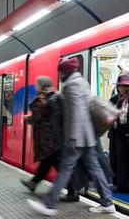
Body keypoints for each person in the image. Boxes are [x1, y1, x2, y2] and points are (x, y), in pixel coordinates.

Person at [27, 57, 115, 216]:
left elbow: (77, 113)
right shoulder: (82, 82)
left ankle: (48, 204)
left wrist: (72, 139)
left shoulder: (71, 85)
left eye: (60, 71)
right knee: (94, 168)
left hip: (78, 137)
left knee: (66, 169)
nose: (59, 74)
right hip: (87, 136)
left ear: (63, 71)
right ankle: (107, 203)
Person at [21, 76, 63, 192]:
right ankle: (33, 182)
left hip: (46, 137)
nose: (35, 86)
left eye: (36, 84)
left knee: (55, 164)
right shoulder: (54, 94)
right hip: (53, 136)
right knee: (48, 162)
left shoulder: (41, 98)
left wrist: (28, 117)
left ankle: (72, 191)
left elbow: (37, 116)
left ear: (41, 85)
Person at [109, 74, 129, 192]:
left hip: (126, 135)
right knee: (114, 157)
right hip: (116, 133)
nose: (121, 88)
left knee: (125, 159)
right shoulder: (114, 99)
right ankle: (117, 182)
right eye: (120, 86)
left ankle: (125, 185)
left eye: (124, 86)